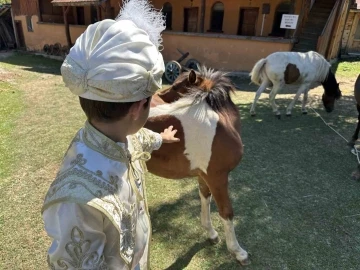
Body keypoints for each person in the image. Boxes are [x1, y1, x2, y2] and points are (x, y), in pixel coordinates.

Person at [42, 0, 179, 269]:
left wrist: (162, 138)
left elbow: (137, 139)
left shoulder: (113, 137)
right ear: (140, 106)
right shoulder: (76, 199)